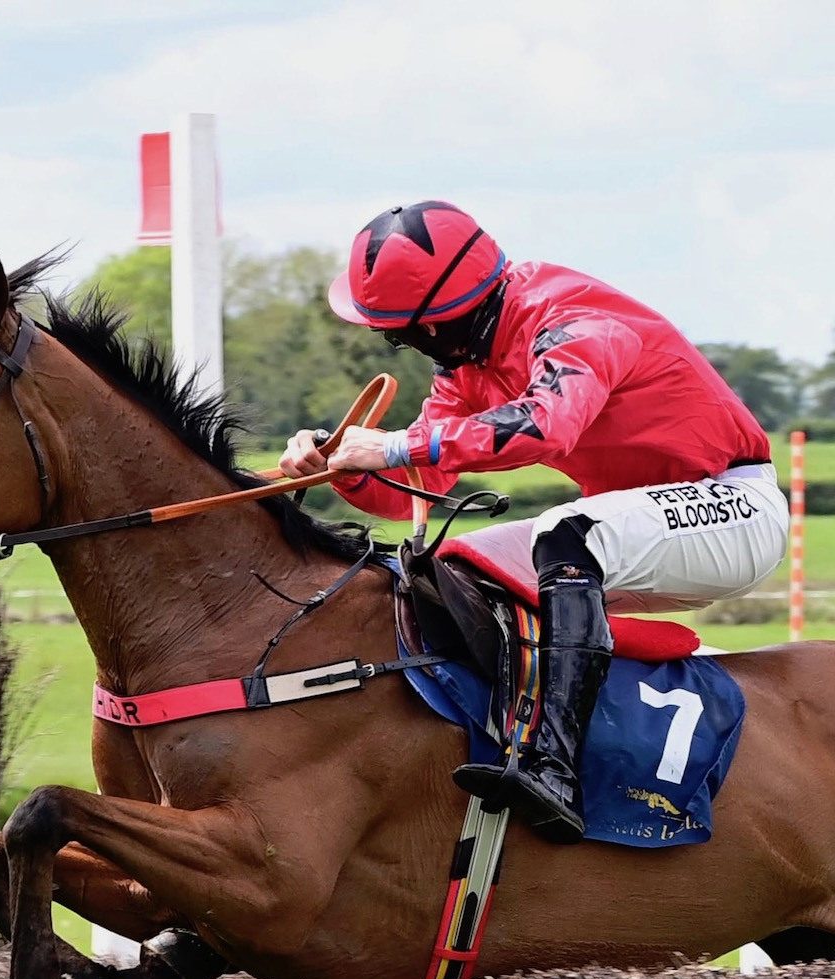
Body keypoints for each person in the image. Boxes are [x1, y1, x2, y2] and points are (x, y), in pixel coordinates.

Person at [282, 200, 787, 844]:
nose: (399, 344)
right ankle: (497, 736)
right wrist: (342, 464)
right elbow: (421, 482)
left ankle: (556, 769)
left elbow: (545, 425)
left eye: (402, 330)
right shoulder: (468, 363)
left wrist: (394, 445)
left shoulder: (574, 319)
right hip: (644, 526)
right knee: (455, 567)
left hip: (733, 509)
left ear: (441, 321)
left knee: (564, 533)